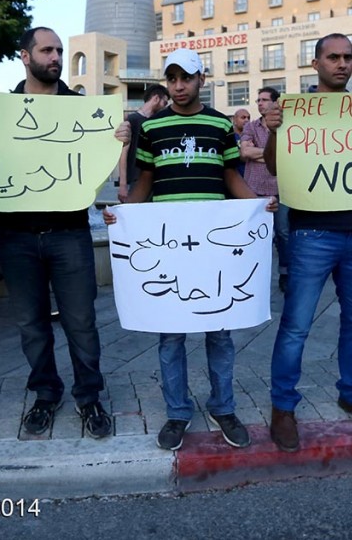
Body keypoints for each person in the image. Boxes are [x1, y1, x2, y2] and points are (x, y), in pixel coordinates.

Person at [0, 27, 122, 440]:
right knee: (31, 323)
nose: (55, 57)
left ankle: (89, 396)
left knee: (81, 321)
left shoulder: (81, 109)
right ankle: (45, 393)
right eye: (46, 50)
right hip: (14, 236)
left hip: (68, 232)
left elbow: (99, 171)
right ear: (25, 56)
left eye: (60, 51)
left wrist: (118, 141)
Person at [107, 48, 275, 451]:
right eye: (172, 79)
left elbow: (230, 176)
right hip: (169, 248)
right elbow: (146, 178)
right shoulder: (153, 127)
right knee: (171, 338)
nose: (179, 86)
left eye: (187, 78)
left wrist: (257, 205)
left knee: (220, 332)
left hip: (211, 247)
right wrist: (125, 216)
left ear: (202, 79)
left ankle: (224, 406)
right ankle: (178, 412)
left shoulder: (219, 124)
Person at [263, 34, 352, 452]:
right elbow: (274, 167)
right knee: (296, 326)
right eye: (333, 57)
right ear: (316, 63)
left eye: (348, 58)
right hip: (311, 233)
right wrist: (274, 132)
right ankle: (282, 406)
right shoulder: (296, 110)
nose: (342, 64)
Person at [240, 86, 290, 292]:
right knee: (254, 236)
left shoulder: (285, 125)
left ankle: (285, 273)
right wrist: (271, 153)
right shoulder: (251, 127)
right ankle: (253, 274)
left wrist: (259, 153)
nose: (259, 103)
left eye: (264, 99)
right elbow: (245, 152)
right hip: (253, 190)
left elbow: (288, 153)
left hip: (280, 188)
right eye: (257, 99)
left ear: (275, 102)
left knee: (283, 233)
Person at [117, 84, 168, 203]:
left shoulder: (153, 122)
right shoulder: (132, 120)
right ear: (156, 99)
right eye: (164, 103)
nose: (165, 107)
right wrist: (123, 185)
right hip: (134, 181)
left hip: (152, 180)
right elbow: (123, 152)